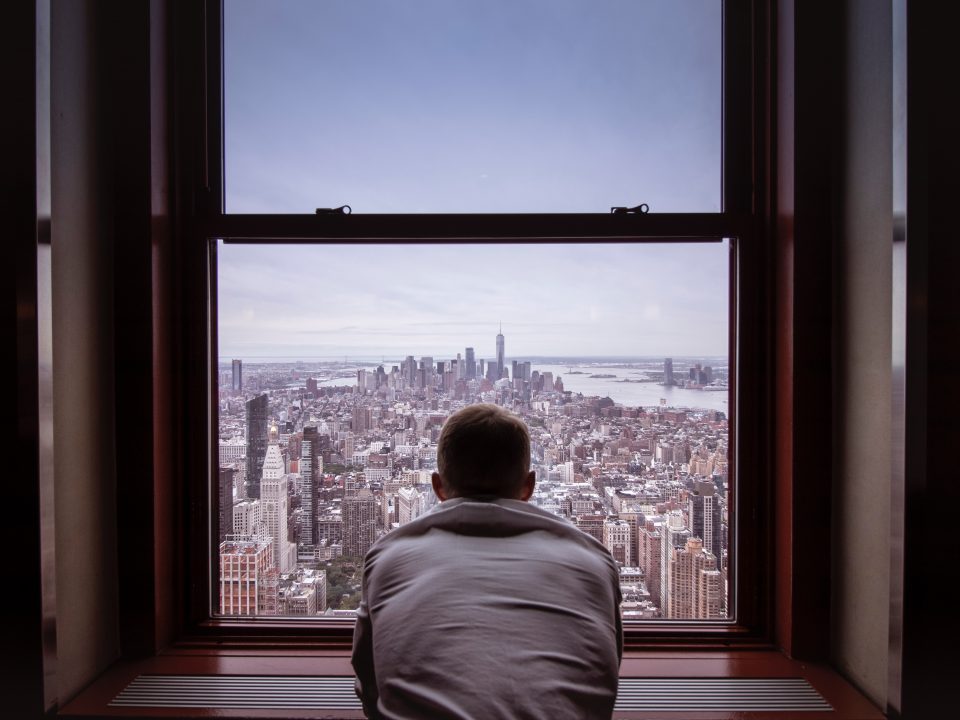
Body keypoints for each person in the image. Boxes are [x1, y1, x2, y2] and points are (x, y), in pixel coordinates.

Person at [352, 403, 623, 719]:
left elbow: (369, 683)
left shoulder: (389, 558)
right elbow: (606, 671)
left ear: (438, 486)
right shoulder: (592, 562)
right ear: (529, 486)